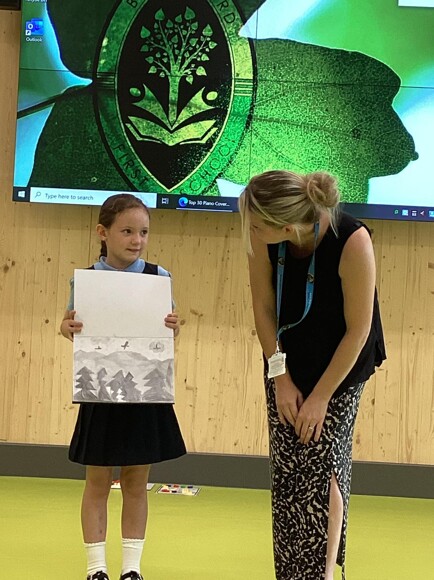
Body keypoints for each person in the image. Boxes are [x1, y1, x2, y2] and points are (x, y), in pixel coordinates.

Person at [239, 170, 386, 580]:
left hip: (343, 362)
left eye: (256, 225)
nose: (250, 231)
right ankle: (290, 571)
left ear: (286, 227)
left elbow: (358, 330)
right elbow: (263, 307)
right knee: (289, 467)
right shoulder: (263, 235)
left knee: (323, 460)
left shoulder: (352, 240)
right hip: (286, 357)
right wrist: (280, 378)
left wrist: (321, 397)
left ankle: (322, 572)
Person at [60, 194, 186, 580]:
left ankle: (131, 568)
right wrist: (67, 327)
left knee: (136, 482)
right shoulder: (86, 279)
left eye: (143, 232)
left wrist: (173, 327)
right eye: (127, 231)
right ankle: (96, 568)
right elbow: (69, 326)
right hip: (100, 394)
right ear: (103, 233)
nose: (137, 240)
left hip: (144, 395)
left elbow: (168, 333)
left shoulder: (159, 277)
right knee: (97, 482)